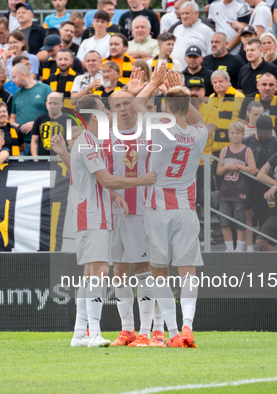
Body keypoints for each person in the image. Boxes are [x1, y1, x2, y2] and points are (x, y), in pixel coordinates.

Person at [49, 95, 156, 348]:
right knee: (99, 272)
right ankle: (94, 332)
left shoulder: (88, 142)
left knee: (89, 276)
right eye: (103, 108)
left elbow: (91, 179)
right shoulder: (88, 143)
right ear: (94, 115)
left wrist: (114, 195)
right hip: (93, 214)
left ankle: (79, 333)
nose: (108, 111)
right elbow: (106, 180)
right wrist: (142, 180)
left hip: (93, 212)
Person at [130, 68, 211, 348]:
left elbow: (135, 105)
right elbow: (197, 120)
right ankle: (188, 327)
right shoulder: (199, 135)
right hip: (186, 210)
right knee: (188, 270)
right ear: (187, 107)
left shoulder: (160, 128)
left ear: (165, 107)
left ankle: (174, 332)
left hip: (157, 209)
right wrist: (182, 95)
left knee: (159, 272)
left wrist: (154, 84)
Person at [97, 89, 162, 348]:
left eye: (127, 103)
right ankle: (127, 330)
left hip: (142, 211)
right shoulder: (105, 139)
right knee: (119, 271)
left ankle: (146, 331)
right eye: (117, 105)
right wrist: (114, 196)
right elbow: (99, 176)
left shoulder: (149, 135)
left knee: (144, 269)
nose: (123, 108)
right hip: (112, 213)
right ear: (111, 110)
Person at [216, 122, 257, 252]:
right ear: (228, 134)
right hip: (225, 191)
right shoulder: (225, 150)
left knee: (240, 221)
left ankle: (239, 248)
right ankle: (229, 248)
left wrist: (238, 167)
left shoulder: (246, 150)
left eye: (238, 133)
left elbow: (253, 169)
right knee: (224, 221)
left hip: (240, 190)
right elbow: (218, 172)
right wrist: (227, 166)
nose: (235, 135)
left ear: (243, 135)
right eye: (232, 133)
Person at [242, 115, 277, 248]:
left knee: (266, 216)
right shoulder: (246, 141)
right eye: (262, 132)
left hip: (267, 186)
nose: (264, 135)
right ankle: (248, 246)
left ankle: (265, 246)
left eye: (267, 133)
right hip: (249, 184)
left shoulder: (276, 142)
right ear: (256, 129)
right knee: (246, 215)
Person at [10, 63, 53, 154]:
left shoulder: (45, 89)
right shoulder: (17, 94)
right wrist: (13, 125)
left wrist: (35, 123)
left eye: (14, 77)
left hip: (41, 142)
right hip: (22, 144)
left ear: (22, 75)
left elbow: (56, 114)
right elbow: (12, 117)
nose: (12, 81)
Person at [237, 73, 277, 137]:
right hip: (252, 141)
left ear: (276, 86)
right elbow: (243, 125)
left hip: (275, 141)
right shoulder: (248, 99)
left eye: (271, 85)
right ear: (258, 85)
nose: (267, 88)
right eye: (264, 84)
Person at [208, 69, 245, 160]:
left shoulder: (239, 96)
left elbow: (244, 121)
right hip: (214, 146)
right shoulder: (211, 97)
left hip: (233, 145)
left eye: (220, 81)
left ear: (228, 81)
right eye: (215, 82)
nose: (217, 84)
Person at [172, 2, 214, 67]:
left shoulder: (206, 31)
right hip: (176, 72)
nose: (184, 16)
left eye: (187, 13)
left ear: (196, 13)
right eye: (182, 13)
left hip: (196, 73)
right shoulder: (177, 28)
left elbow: (211, 55)